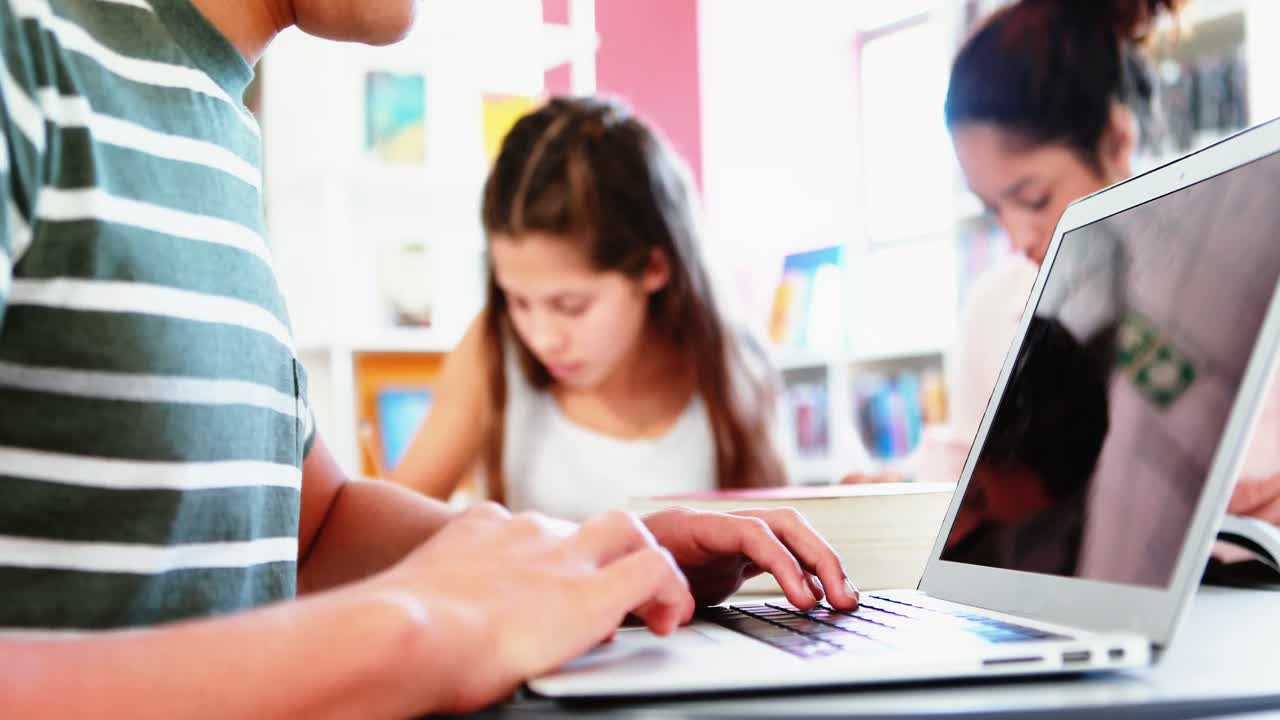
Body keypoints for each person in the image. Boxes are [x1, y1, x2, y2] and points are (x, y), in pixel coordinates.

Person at [0, 1, 859, 716]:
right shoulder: (26, 51)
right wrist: (410, 631)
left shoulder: (209, 112)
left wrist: (599, 557)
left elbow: (312, 530)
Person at [854, 0, 1280, 535]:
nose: (1017, 238)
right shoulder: (997, 304)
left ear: (1117, 139)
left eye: (1033, 199)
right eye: (993, 209)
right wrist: (898, 499)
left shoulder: (1243, 282)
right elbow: (972, 503)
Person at [390, 97, 786, 520]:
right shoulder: (492, 350)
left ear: (653, 268)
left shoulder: (735, 368)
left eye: (570, 306)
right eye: (517, 301)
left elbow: (777, 540)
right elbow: (390, 528)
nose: (542, 338)